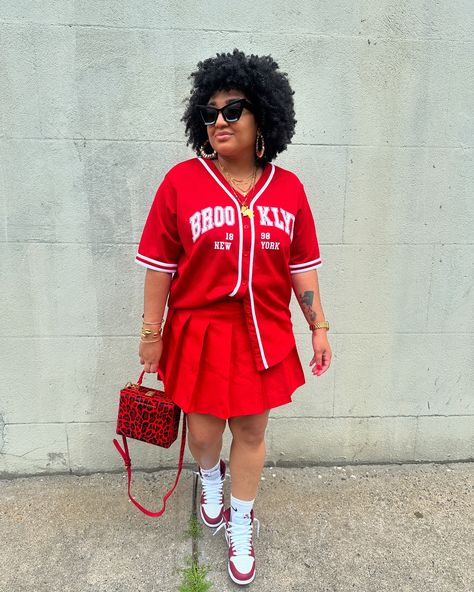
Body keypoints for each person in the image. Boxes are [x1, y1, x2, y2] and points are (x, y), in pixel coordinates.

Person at [136, 49, 332, 586]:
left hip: (261, 334)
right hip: (197, 331)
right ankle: (209, 476)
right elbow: (159, 268)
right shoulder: (181, 183)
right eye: (210, 111)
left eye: (232, 109)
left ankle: (242, 520)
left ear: (262, 116)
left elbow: (302, 266)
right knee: (203, 433)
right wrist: (151, 334)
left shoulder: (287, 190)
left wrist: (318, 325)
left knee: (250, 429)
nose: (218, 120)